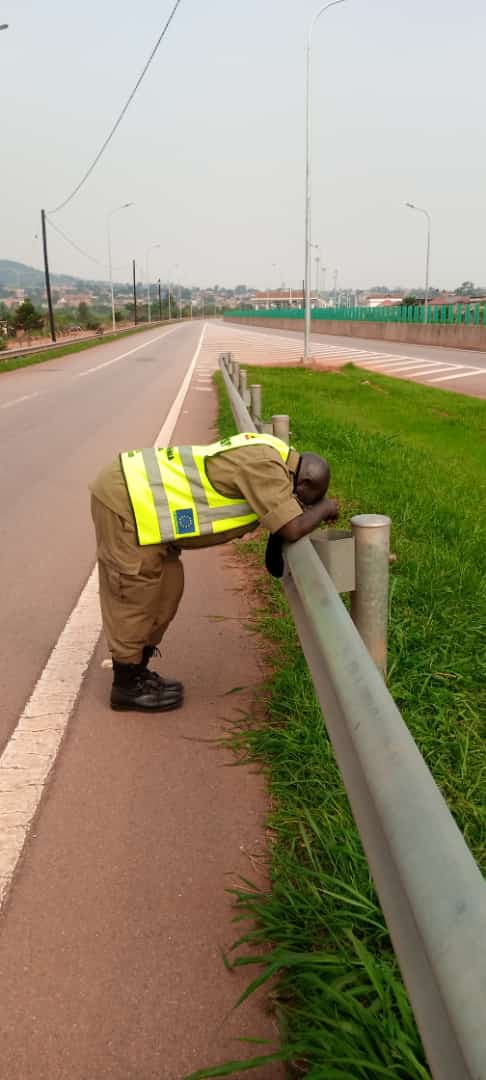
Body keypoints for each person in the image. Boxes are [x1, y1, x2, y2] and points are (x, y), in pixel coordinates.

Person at [90, 431, 338, 714]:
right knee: (136, 593)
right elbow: (291, 527)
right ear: (303, 482)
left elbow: (280, 529)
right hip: (128, 500)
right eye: (305, 501)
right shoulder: (267, 468)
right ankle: (126, 684)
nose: (302, 507)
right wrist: (326, 508)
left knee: (167, 591)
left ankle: (138, 671)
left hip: (151, 513)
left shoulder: (274, 456)